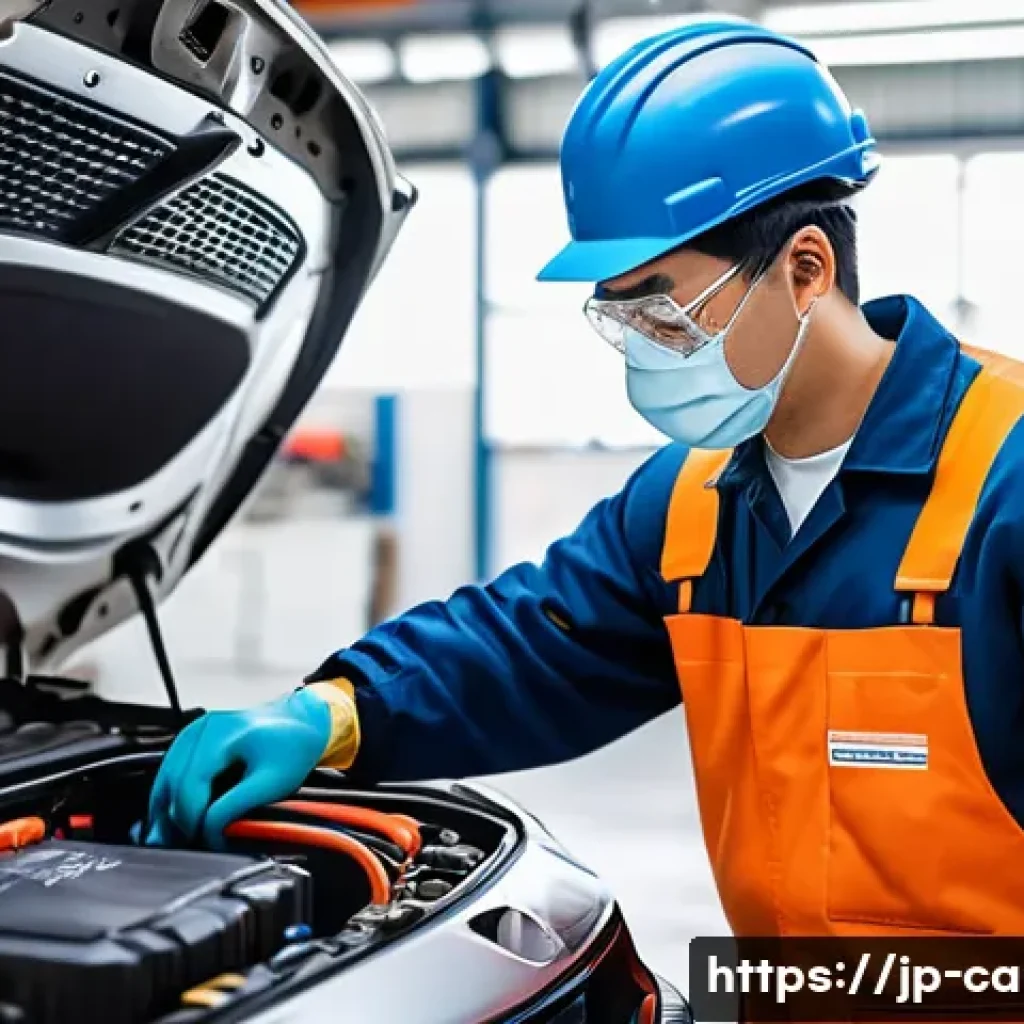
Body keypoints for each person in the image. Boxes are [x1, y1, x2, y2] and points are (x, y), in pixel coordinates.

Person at [144, 17, 1024, 937]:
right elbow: (528, 643)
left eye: (663, 309)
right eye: (620, 316)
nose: (647, 348)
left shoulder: (1006, 479)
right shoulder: (691, 504)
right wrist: (331, 714)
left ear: (806, 269)